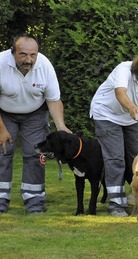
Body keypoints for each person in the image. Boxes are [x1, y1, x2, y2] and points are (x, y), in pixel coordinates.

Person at [0, 33, 71, 214]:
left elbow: (54, 100)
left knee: (36, 154)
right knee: (2, 152)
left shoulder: (45, 65)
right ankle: (1, 199)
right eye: (23, 54)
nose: (29, 60)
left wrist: (61, 126)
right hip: (4, 114)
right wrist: (1, 130)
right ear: (12, 52)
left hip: (35, 114)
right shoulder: (0, 63)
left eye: (33, 55)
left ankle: (34, 201)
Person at [89, 50, 138, 217]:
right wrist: (131, 107)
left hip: (133, 117)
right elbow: (120, 93)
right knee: (115, 158)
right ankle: (116, 202)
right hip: (106, 115)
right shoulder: (124, 69)